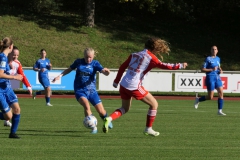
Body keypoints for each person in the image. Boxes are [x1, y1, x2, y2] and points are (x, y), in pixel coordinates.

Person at [102, 37, 188, 136]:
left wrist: (116, 81)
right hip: (134, 85)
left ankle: (109, 118)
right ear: (155, 48)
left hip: (123, 84)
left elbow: (122, 66)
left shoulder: (134, 54)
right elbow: (165, 66)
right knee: (154, 104)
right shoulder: (151, 58)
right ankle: (148, 129)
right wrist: (180, 65)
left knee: (125, 108)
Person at [52, 48, 113, 134]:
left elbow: (103, 71)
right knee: (86, 106)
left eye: (90, 57)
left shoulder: (95, 63)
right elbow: (69, 69)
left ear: (93, 56)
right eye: (86, 57)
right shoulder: (78, 62)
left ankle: (106, 120)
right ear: (84, 56)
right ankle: (93, 127)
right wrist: (60, 75)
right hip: (80, 90)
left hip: (92, 91)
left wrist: (107, 72)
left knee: (101, 112)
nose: (88, 59)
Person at [3, 46, 32, 127]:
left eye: (17, 55)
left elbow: (22, 75)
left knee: (13, 102)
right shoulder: (3, 60)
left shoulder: (17, 63)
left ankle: (7, 120)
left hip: (6, 87)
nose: (15, 57)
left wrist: (28, 86)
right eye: (14, 55)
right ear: (9, 52)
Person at [0, 37, 23, 138]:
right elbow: (0, 74)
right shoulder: (2, 58)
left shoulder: (5, 58)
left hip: (7, 88)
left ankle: (12, 133)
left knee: (17, 109)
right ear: (10, 46)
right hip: (0, 90)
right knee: (8, 116)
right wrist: (15, 77)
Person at [194, 46, 226, 115]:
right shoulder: (207, 59)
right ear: (211, 51)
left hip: (217, 77)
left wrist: (220, 70)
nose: (214, 50)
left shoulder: (218, 58)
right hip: (210, 78)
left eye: (215, 49)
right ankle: (198, 99)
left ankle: (219, 111)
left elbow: (219, 67)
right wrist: (211, 69)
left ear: (217, 51)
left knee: (221, 93)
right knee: (210, 97)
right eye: (212, 49)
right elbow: (202, 69)